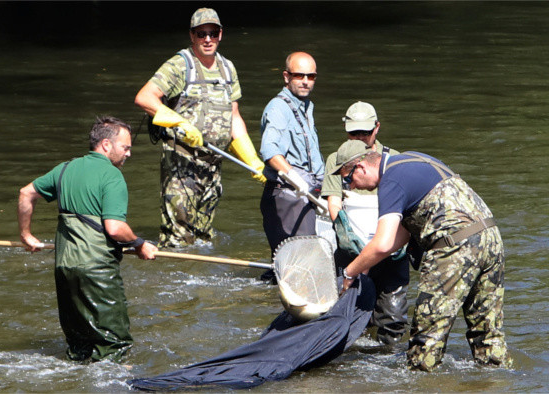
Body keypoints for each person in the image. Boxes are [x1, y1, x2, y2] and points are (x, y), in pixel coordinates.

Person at [331, 140, 511, 371]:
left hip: (454, 247)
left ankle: (419, 383)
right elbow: (402, 235)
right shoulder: (412, 160)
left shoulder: (391, 180)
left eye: (348, 178)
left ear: (361, 167)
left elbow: (383, 243)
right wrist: (364, 267)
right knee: (487, 332)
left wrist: (349, 272)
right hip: (491, 238)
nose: (351, 187)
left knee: (425, 341)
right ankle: (496, 380)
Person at [18, 116, 158, 363]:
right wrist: (139, 243)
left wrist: (26, 235)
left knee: (79, 345)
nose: (128, 154)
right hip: (97, 269)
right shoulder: (112, 176)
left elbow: (26, 193)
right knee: (115, 344)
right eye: (125, 148)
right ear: (106, 145)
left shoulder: (64, 169)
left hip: (64, 268)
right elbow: (114, 228)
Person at [134, 7, 265, 248]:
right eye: (201, 33)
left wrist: (252, 158)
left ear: (220, 35)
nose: (207, 39)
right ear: (192, 36)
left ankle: (202, 282)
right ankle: (173, 278)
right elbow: (144, 98)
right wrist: (180, 123)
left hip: (213, 165)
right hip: (181, 164)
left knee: (203, 237)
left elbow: (234, 116)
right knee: (179, 236)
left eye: (212, 33)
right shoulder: (180, 65)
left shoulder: (228, 69)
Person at [321, 101, 410, 346]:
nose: (360, 137)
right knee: (350, 312)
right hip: (352, 250)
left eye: (365, 132)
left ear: (377, 128)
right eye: (353, 132)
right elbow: (334, 202)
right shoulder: (335, 160)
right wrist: (351, 240)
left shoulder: (394, 159)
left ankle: (388, 362)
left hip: (391, 249)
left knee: (393, 317)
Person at [258, 51, 325, 279]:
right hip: (288, 195)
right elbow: (270, 150)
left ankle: (271, 295)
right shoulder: (278, 108)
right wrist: (293, 177)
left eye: (311, 76)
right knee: (301, 266)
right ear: (286, 77)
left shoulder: (306, 107)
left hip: (309, 194)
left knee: (309, 261)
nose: (306, 81)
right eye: (299, 75)